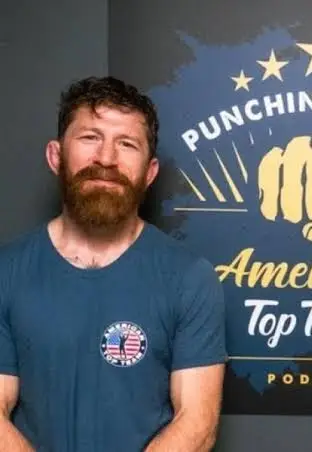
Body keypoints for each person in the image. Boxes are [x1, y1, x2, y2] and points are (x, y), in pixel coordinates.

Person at [0, 76, 227, 451]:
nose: (106, 158)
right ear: (56, 156)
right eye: (90, 137)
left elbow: (197, 423)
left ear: (150, 172)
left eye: (127, 144)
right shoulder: (6, 273)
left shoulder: (189, 278)